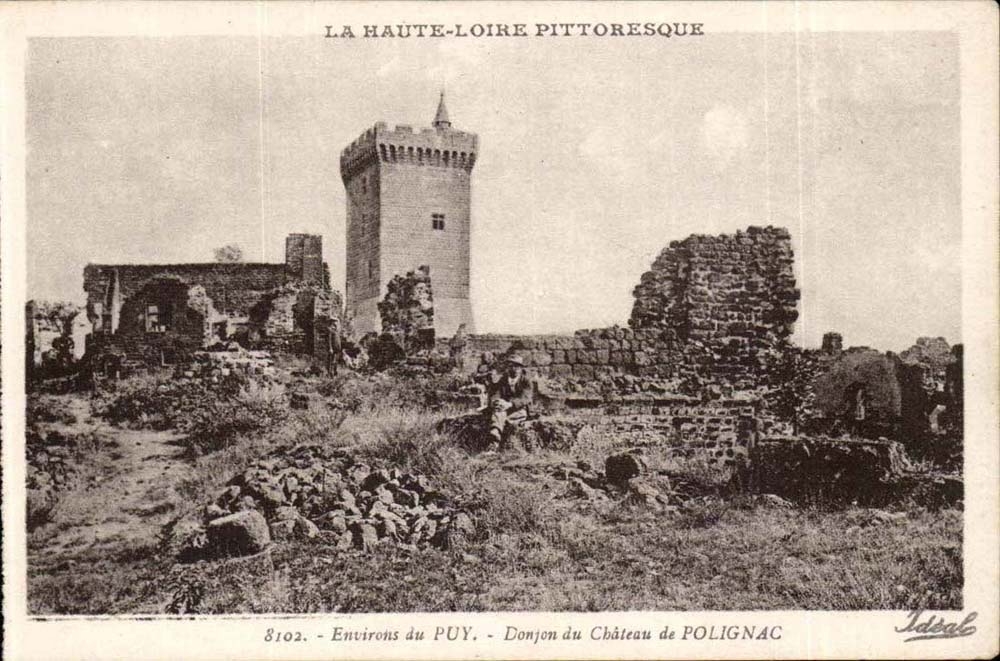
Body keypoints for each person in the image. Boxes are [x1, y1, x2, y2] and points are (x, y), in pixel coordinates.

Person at [485, 354, 535, 448]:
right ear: (507, 367)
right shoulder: (503, 379)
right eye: (511, 366)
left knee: (502, 418)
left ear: (521, 368)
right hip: (504, 408)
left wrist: (510, 404)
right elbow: (496, 392)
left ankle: (495, 439)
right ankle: (494, 439)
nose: (514, 369)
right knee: (499, 412)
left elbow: (525, 398)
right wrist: (497, 401)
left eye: (517, 366)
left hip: (520, 409)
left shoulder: (526, 381)